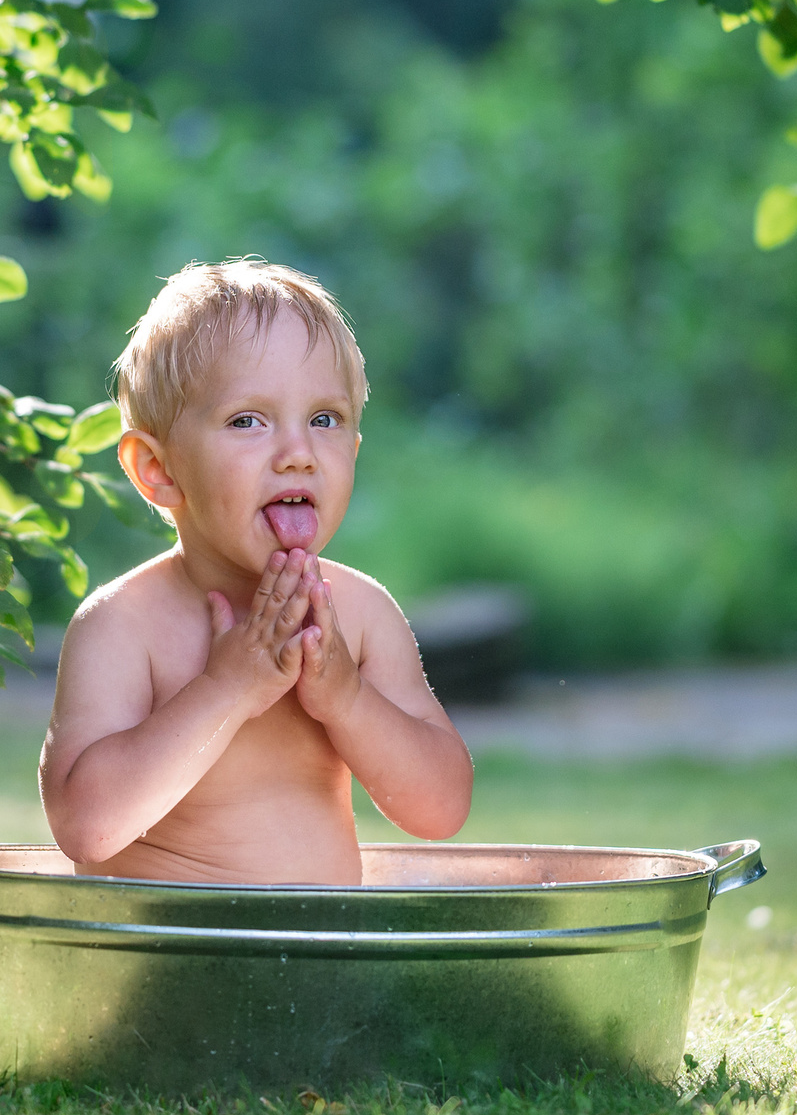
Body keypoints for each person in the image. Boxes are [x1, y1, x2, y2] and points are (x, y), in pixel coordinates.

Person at [39, 259, 474, 885]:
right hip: (166, 958)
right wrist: (226, 689)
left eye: (324, 420)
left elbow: (441, 809)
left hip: (320, 964)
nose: (298, 454)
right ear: (158, 470)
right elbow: (87, 827)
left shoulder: (360, 616)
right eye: (248, 420)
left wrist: (348, 701)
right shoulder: (123, 627)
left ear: (353, 450)